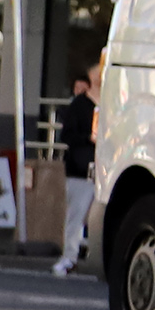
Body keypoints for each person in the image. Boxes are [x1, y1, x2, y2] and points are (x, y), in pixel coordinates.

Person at [53, 67, 98, 276]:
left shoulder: (110, 105)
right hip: (81, 168)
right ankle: (70, 256)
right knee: (76, 215)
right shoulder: (79, 106)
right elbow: (67, 136)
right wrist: (88, 138)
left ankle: (91, 255)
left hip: (103, 168)